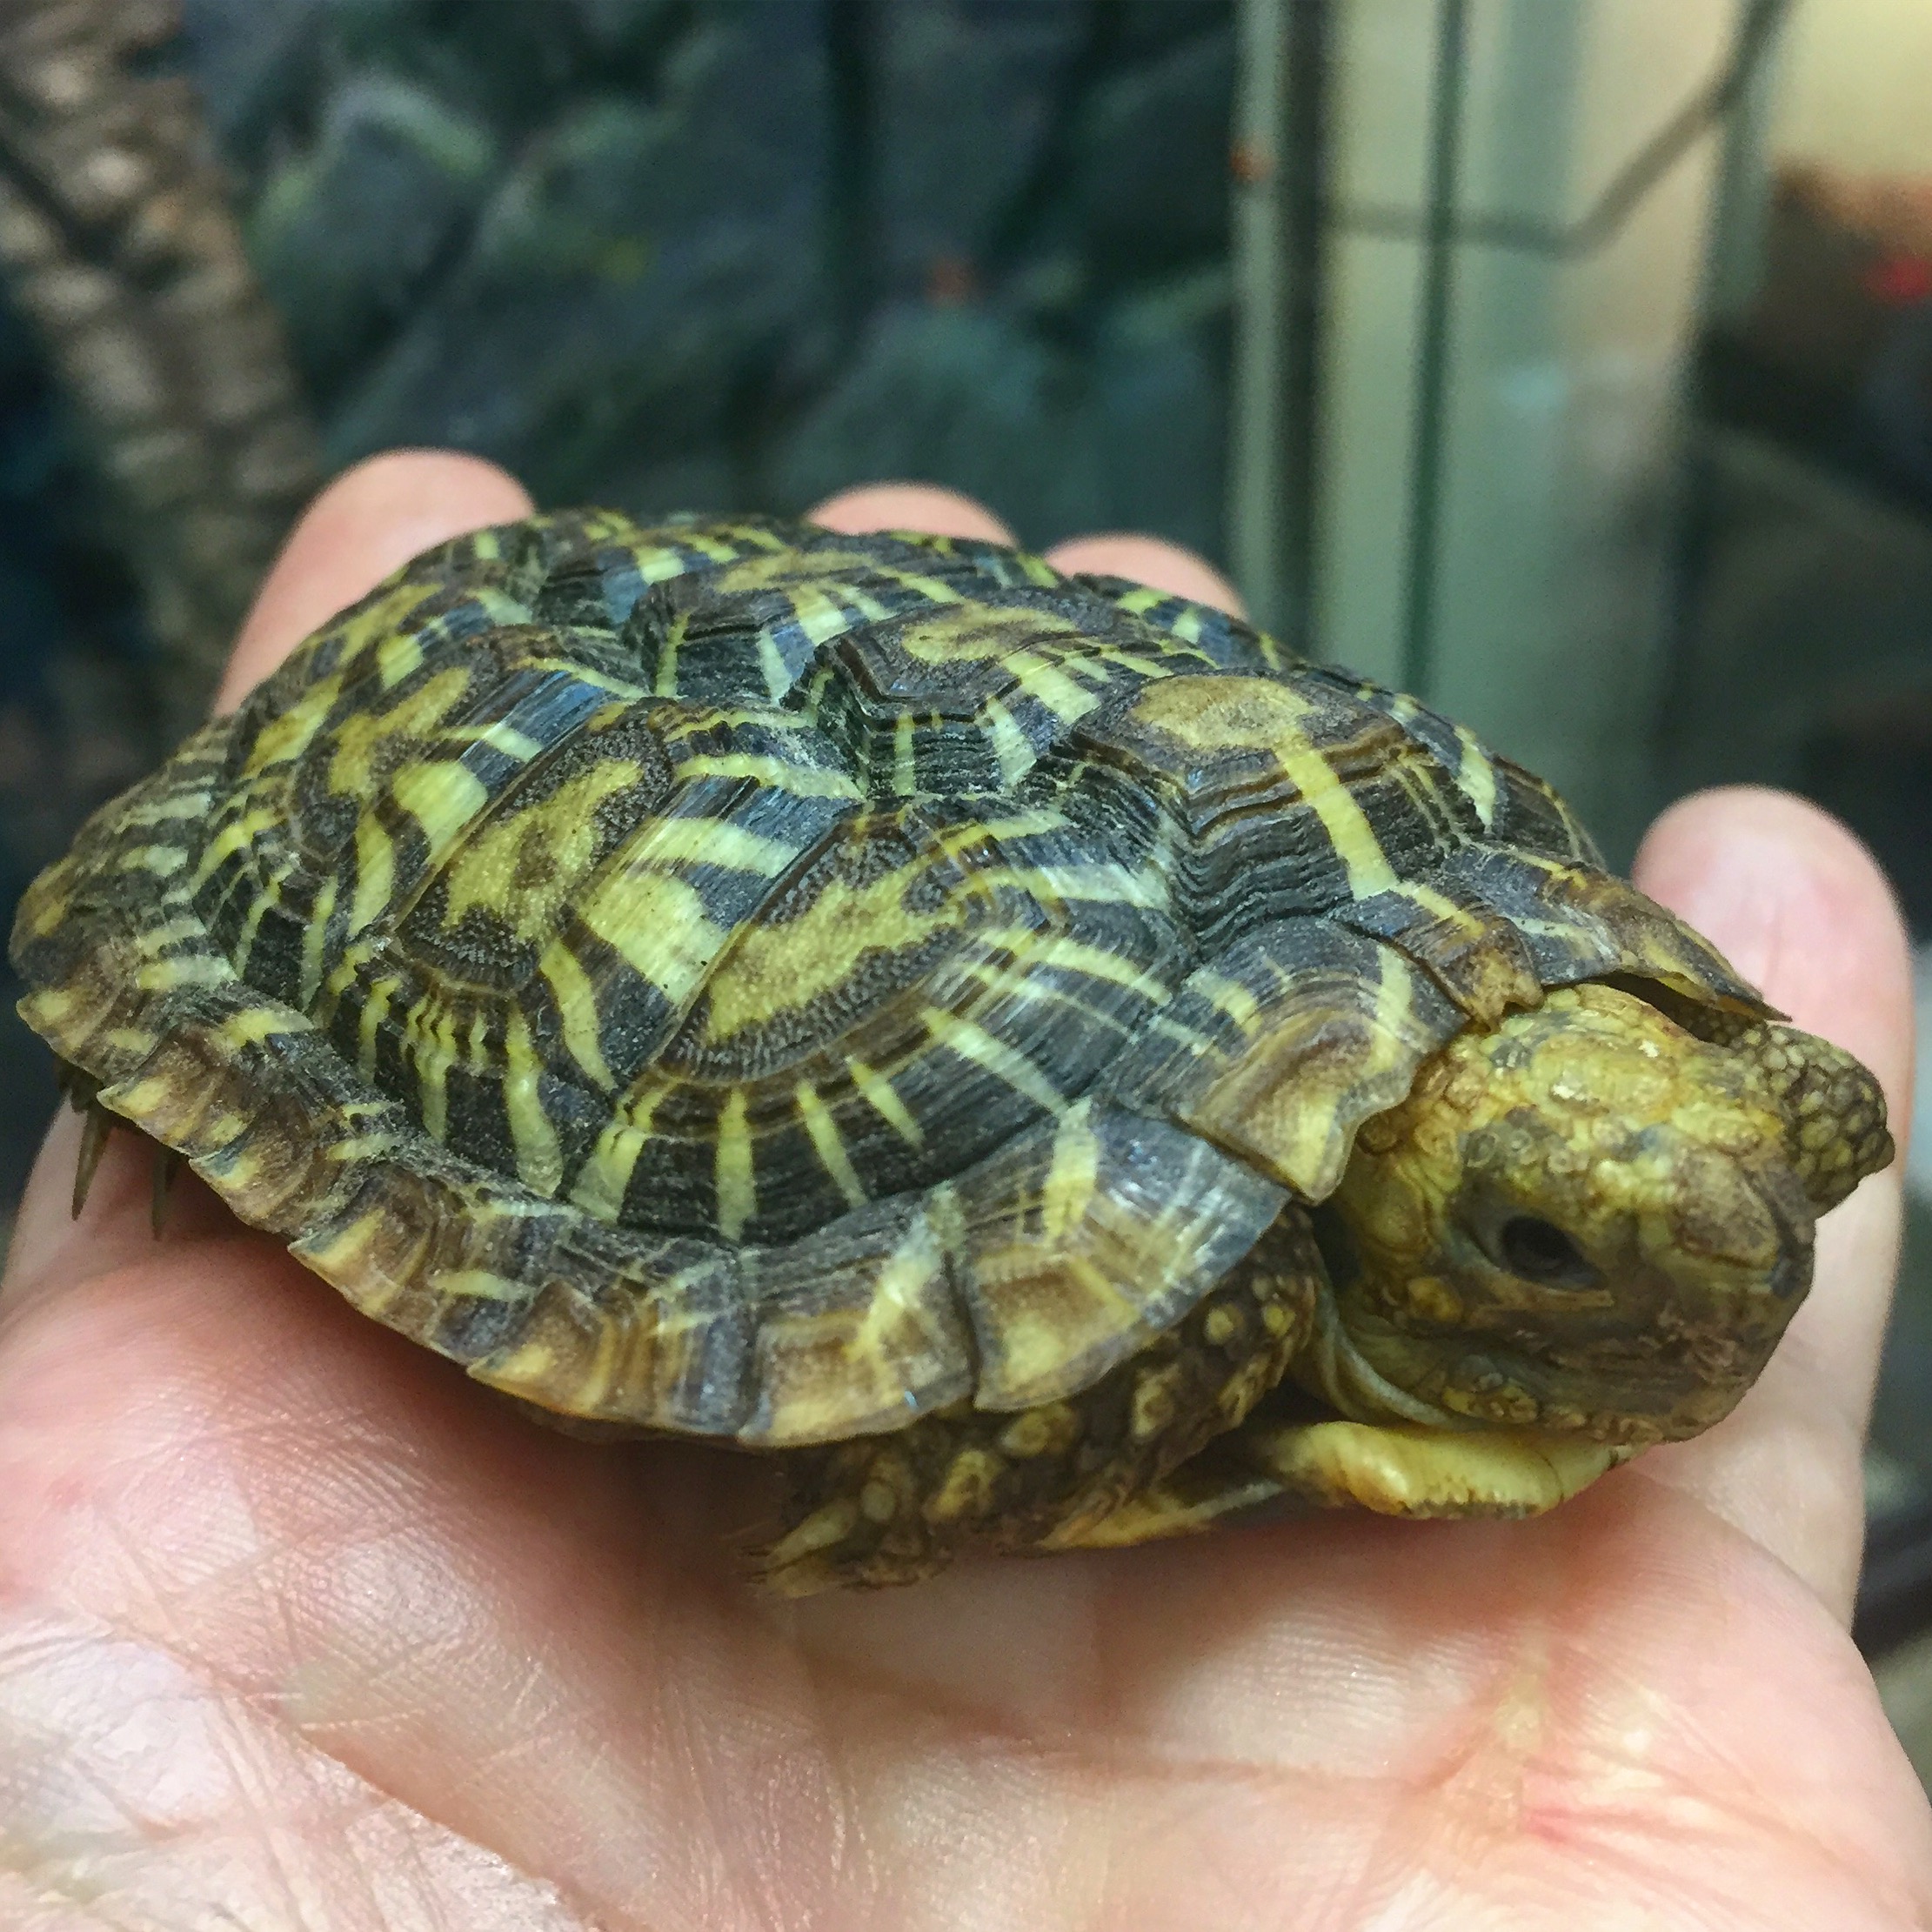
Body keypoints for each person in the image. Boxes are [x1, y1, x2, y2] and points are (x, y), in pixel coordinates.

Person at [0, 451, 1926, 1927]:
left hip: (1197, 812)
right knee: (1217, 1287)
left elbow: (1772, 1104)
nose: (1734, 1291)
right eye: (1541, 1254)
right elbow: (1187, 1269)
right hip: (490, 823)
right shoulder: (1250, 1278)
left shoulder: (1589, 1055)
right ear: (1405, 1238)